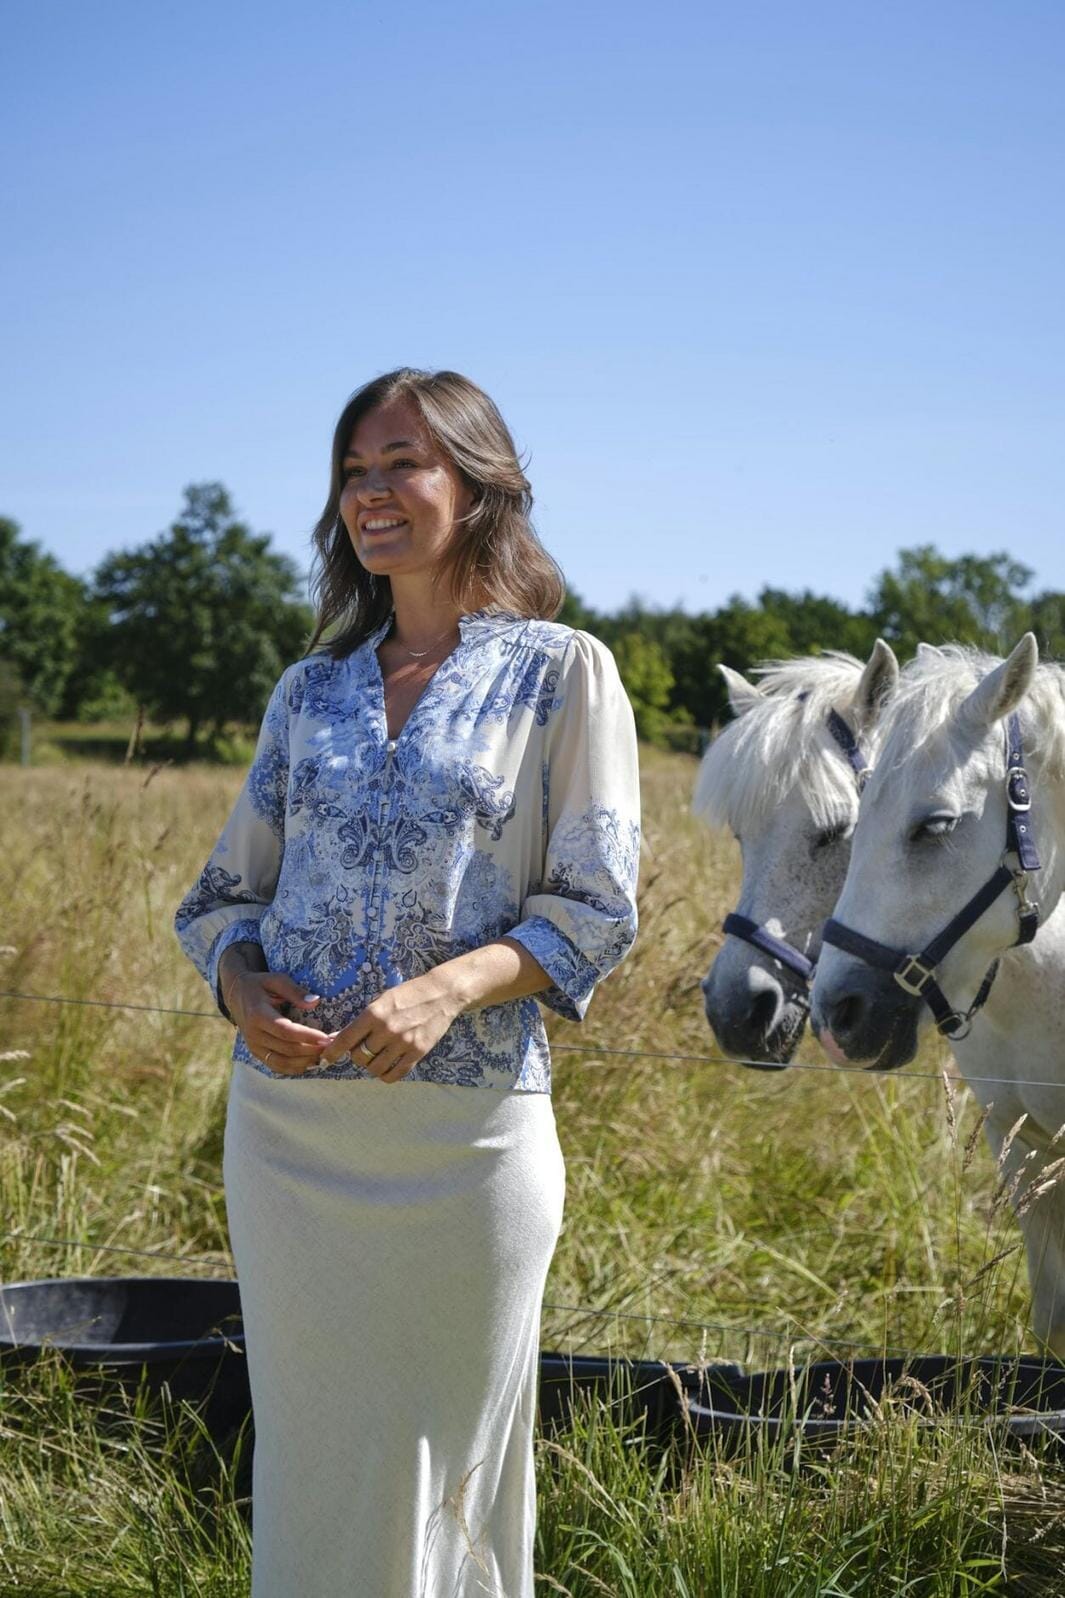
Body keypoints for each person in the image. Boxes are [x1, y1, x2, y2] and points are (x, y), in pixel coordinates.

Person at [173, 367, 641, 1597]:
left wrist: (450, 989)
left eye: (402, 464)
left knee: (454, 1472)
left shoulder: (563, 674)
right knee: (314, 1466)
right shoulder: (308, 689)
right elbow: (221, 900)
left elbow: (597, 909)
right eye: (353, 470)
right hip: (288, 1141)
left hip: (469, 1144)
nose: (370, 492)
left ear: (478, 485)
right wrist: (239, 987)